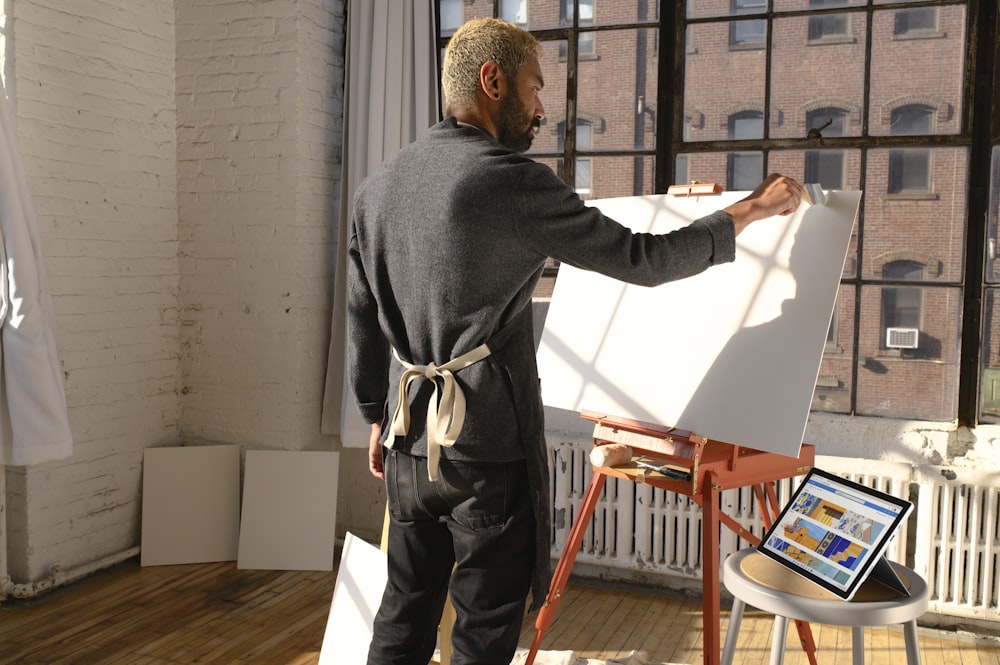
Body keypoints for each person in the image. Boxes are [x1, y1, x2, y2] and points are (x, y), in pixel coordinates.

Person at [347, 17, 804, 665]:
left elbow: (362, 312)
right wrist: (747, 211)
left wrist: (374, 412)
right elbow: (643, 259)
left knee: (404, 611)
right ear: (491, 80)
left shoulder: (378, 187)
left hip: (406, 438)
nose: (540, 110)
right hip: (485, 448)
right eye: (534, 89)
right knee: (483, 627)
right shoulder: (507, 180)